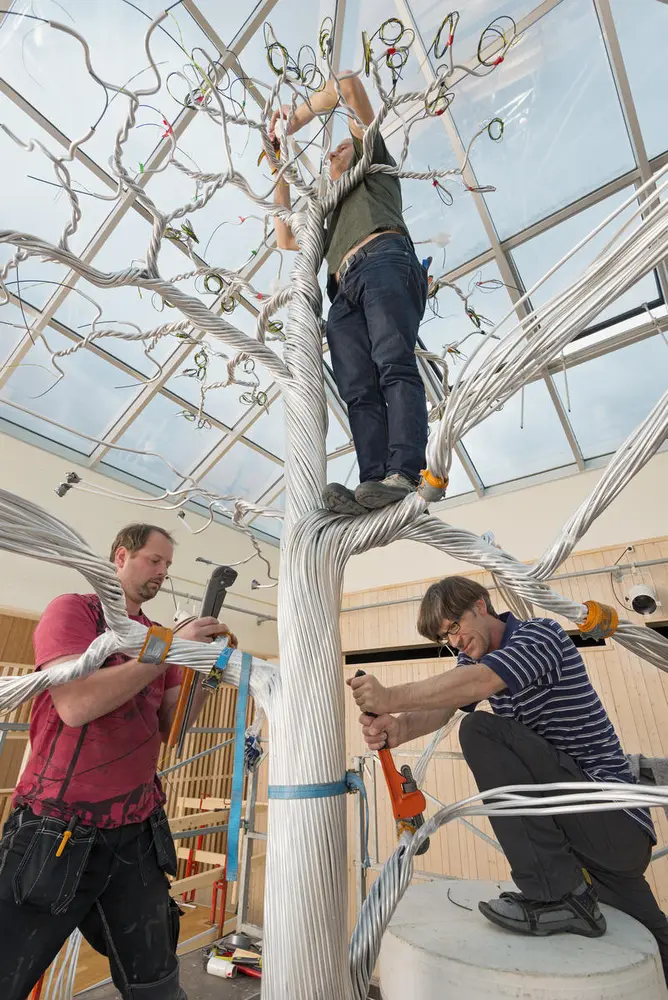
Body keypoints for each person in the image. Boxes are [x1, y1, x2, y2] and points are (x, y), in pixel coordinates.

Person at [349, 575, 668, 979]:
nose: (455, 642)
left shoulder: (540, 636)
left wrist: (389, 696)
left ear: (481, 605)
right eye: (445, 638)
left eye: (454, 627)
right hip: (579, 837)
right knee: (655, 938)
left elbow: (480, 682)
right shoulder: (473, 663)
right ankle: (570, 896)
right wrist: (397, 728)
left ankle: (555, 894)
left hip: (609, 816)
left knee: (479, 730)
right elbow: (445, 704)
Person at [0, 523, 236, 1000]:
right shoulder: (75, 611)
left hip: (136, 833)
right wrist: (171, 648)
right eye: (155, 560)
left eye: (168, 565)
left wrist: (199, 670)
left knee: (157, 984)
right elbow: (76, 706)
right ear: (121, 557)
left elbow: (174, 727)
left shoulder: (157, 637)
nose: (162, 573)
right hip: (57, 831)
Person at [269, 71, 429, 516]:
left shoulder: (373, 166)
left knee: (393, 363)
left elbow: (348, 84)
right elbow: (285, 236)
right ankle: (373, 481)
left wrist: (296, 118)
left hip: (382, 257)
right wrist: (276, 156)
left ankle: (405, 470)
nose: (334, 148)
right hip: (343, 289)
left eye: (344, 142)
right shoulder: (329, 207)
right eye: (330, 150)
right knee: (356, 386)